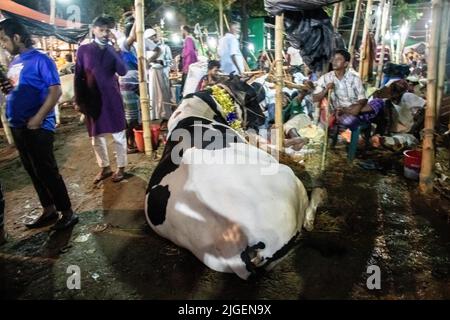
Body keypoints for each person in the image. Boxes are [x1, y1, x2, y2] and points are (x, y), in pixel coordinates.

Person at [0, 18, 78, 230]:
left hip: (38, 126)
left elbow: (56, 91)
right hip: (18, 126)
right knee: (33, 170)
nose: (3, 44)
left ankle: (67, 212)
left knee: (47, 171)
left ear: (17, 37)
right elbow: (16, 90)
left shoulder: (41, 60)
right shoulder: (15, 62)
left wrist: (38, 118)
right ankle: (49, 209)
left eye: (4, 39)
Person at [74, 15, 128, 183]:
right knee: (96, 136)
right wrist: (78, 100)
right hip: (92, 99)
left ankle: (121, 167)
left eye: (107, 30)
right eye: (101, 29)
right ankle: (104, 167)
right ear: (93, 29)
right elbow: (78, 75)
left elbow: (123, 71)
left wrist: (116, 49)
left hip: (112, 98)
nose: (105, 33)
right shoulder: (83, 50)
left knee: (118, 134)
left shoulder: (112, 50)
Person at [118, 19, 140, 153]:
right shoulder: (124, 44)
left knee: (134, 115)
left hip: (134, 83)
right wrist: (137, 17)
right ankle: (129, 143)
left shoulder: (133, 48)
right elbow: (132, 36)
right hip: (128, 84)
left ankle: (132, 141)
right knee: (130, 116)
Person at [146, 29, 173, 123]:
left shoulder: (165, 47)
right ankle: (155, 114)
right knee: (153, 95)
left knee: (164, 95)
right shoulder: (147, 48)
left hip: (162, 72)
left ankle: (165, 114)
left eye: (152, 37)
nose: (151, 40)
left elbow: (170, 62)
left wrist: (161, 63)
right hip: (151, 73)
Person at [180, 25, 198, 95]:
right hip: (190, 65)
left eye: (181, 30)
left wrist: (187, 67)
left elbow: (190, 52)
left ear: (185, 31)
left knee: (186, 86)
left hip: (188, 66)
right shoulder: (190, 38)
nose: (181, 32)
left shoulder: (188, 39)